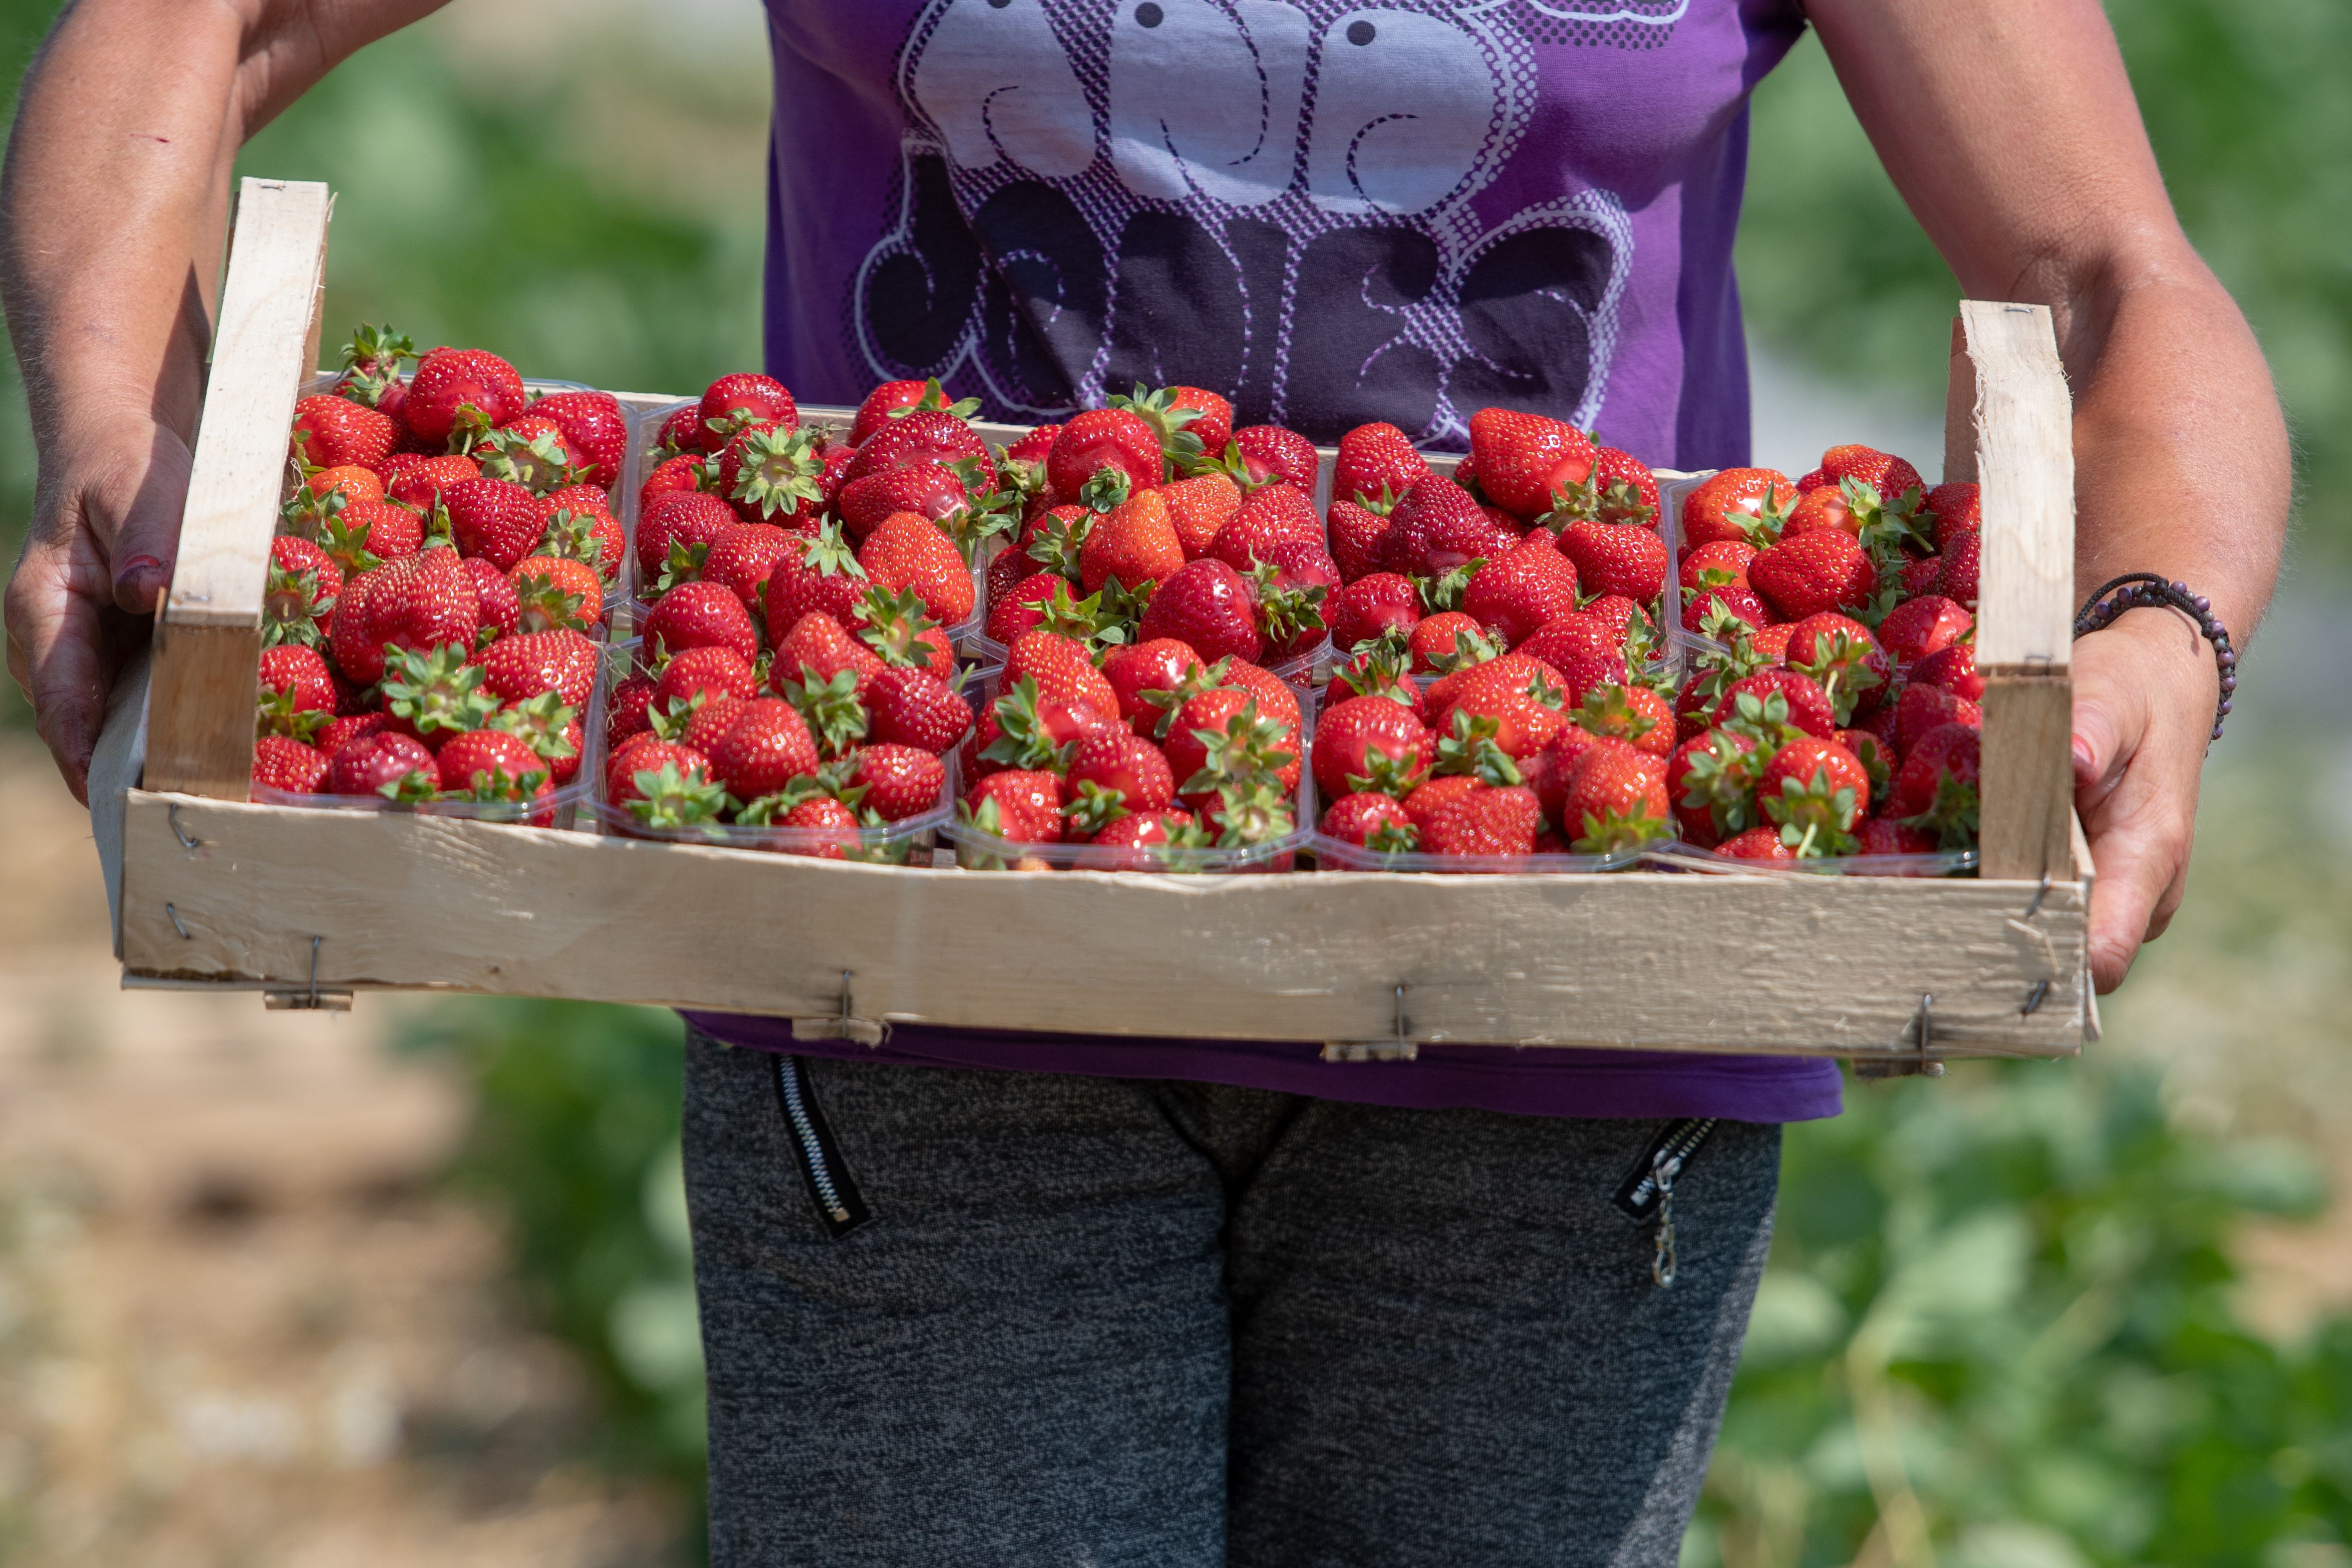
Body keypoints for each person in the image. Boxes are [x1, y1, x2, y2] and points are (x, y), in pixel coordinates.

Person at [1, 2, 2288, 1563]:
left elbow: (2112, 270)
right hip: (905, 966)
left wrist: (2157, 635)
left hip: (1580, 1005)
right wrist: (126, 444)